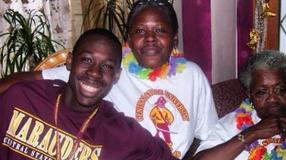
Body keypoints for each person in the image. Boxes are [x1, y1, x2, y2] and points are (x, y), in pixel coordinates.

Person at [0, 0, 218, 158]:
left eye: (160, 30)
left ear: (174, 38)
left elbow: (206, 134)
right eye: (140, 31)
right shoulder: (108, 67)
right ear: (130, 40)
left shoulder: (192, 75)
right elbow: (40, 78)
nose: (150, 38)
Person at [0, 28, 176, 160]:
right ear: (70, 61)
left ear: (116, 76)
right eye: (86, 60)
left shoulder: (122, 133)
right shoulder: (22, 99)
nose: (94, 73)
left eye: (107, 66)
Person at [193, 50, 286, 160]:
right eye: (262, 92)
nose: (272, 98)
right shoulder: (229, 126)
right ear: (250, 94)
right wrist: (252, 134)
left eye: (280, 90)